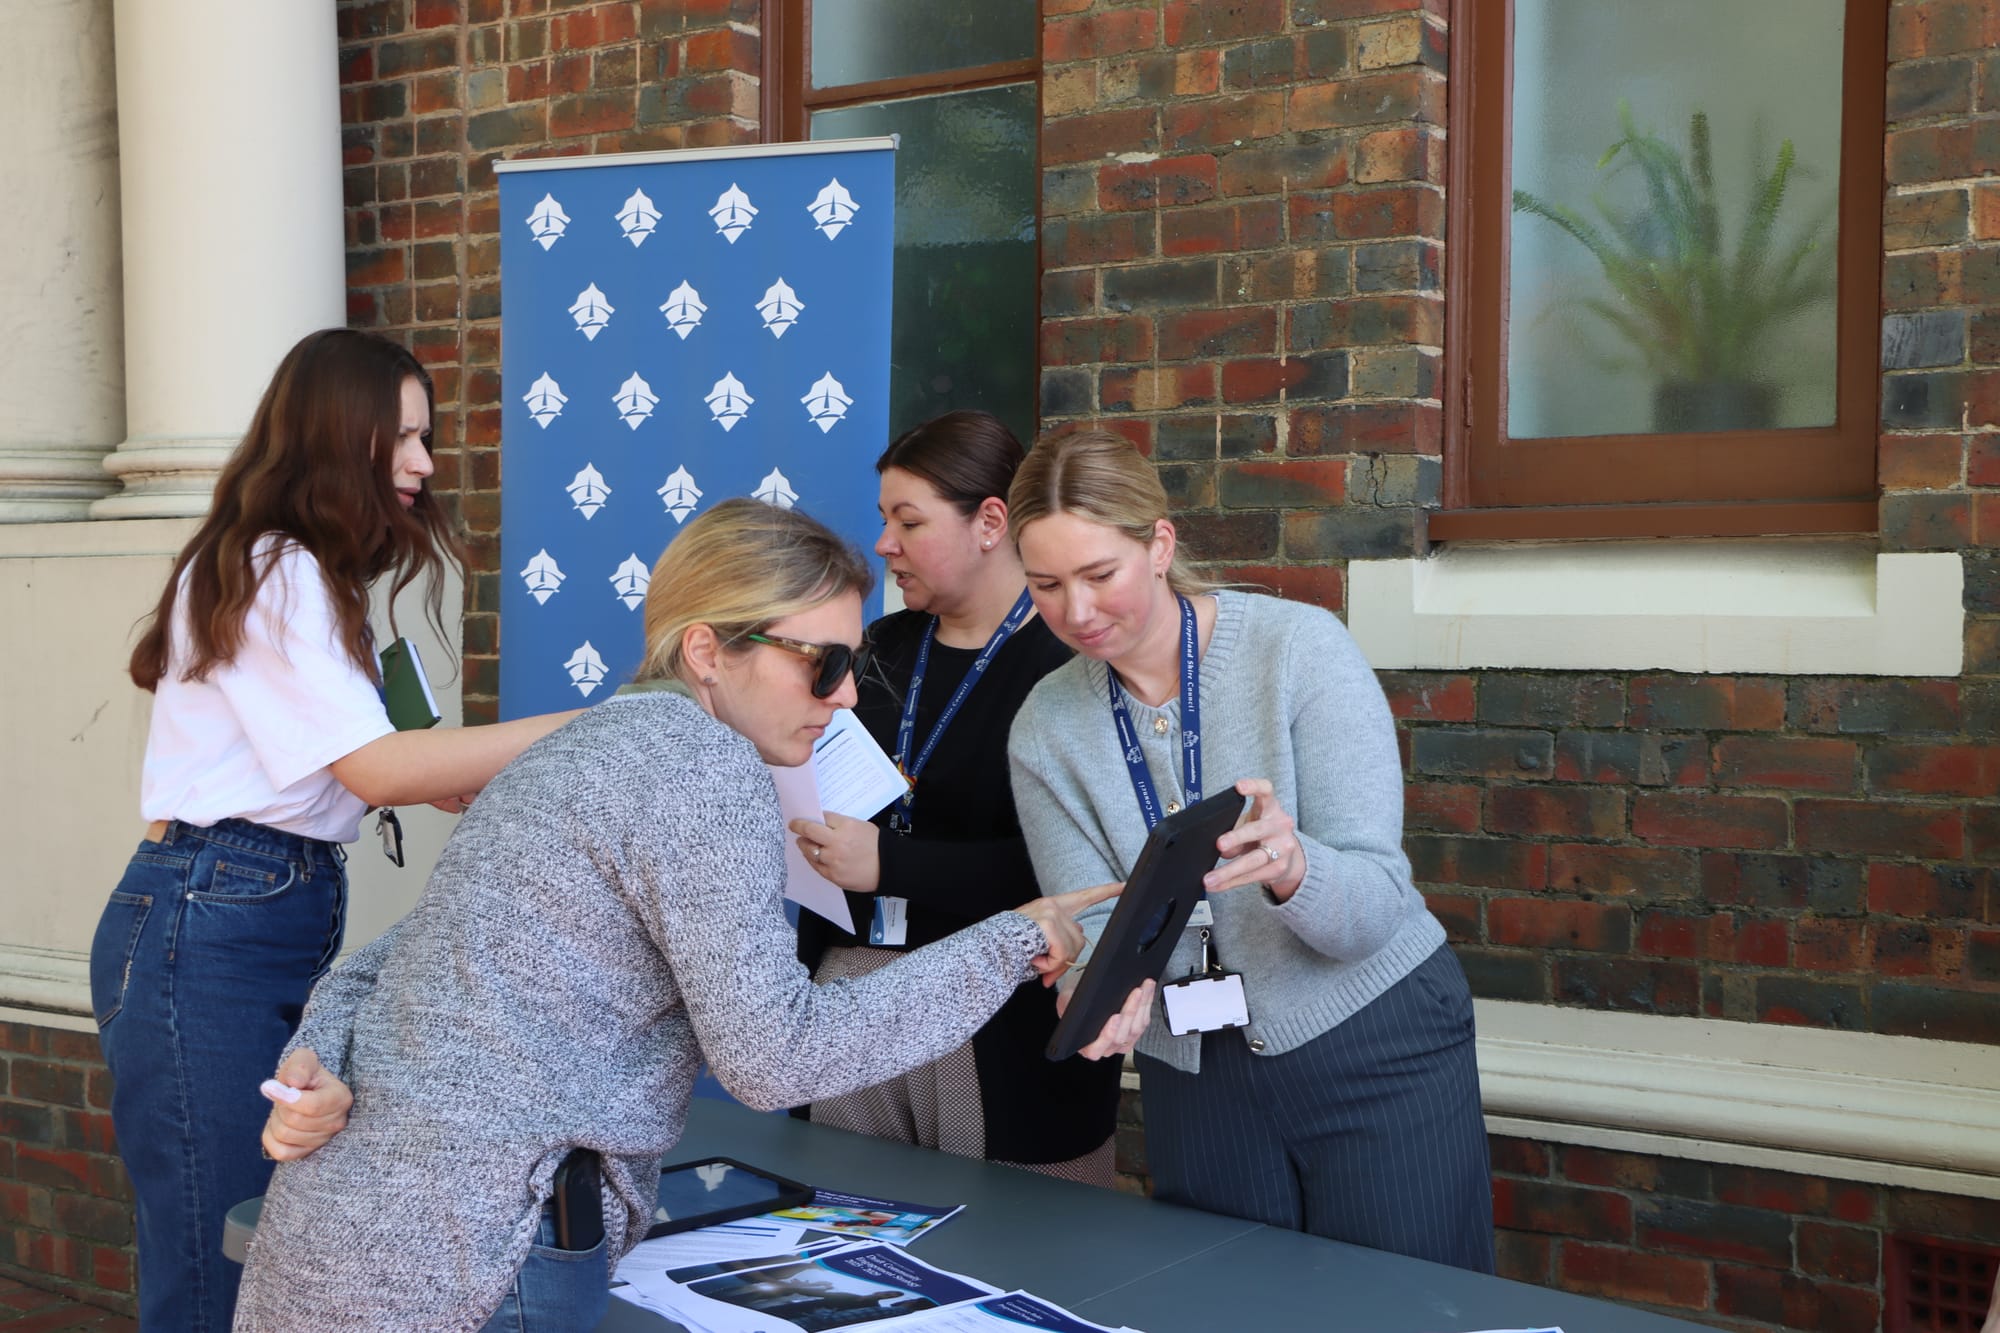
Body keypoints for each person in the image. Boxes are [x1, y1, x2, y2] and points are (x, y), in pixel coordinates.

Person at [235, 498, 1144, 1332]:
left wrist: (311, 1062)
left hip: (353, 1233)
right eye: (821, 664)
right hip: (481, 1251)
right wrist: (1019, 937)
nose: (846, 696)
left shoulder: (572, 749)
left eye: (854, 665)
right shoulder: (702, 767)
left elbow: (379, 962)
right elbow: (775, 1056)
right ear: (708, 651)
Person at [87, 328, 582, 1332]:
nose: (424, 463)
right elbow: (376, 767)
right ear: (334, 433)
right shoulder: (277, 570)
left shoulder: (294, 571)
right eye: (401, 436)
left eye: (426, 437)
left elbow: (375, 764)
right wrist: (596, 721)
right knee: (213, 1255)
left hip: (246, 907)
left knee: (261, 1244)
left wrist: (440, 771)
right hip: (212, 918)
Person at [1004, 429, 1495, 1271]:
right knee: (1228, 1305)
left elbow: (1373, 906)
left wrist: (1296, 867)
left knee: (1409, 1310)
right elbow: (1092, 925)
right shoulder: (1045, 727)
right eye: (1045, 585)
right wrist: (1098, 998)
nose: (1076, 612)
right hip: (1195, 1072)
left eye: (1098, 575)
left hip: (1372, 1038)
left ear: (1159, 545)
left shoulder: (1300, 651)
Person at [791, 411, 1127, 1182]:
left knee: (1011, 1255)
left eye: (909, 521)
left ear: (990, 522)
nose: (884, 545)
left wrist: (893, 864)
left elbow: (1084, 872)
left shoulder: (1066, 667)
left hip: (1001, 1017)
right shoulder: (877, 649)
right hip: (850, 994)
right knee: (847, 1240)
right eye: (883, 520)